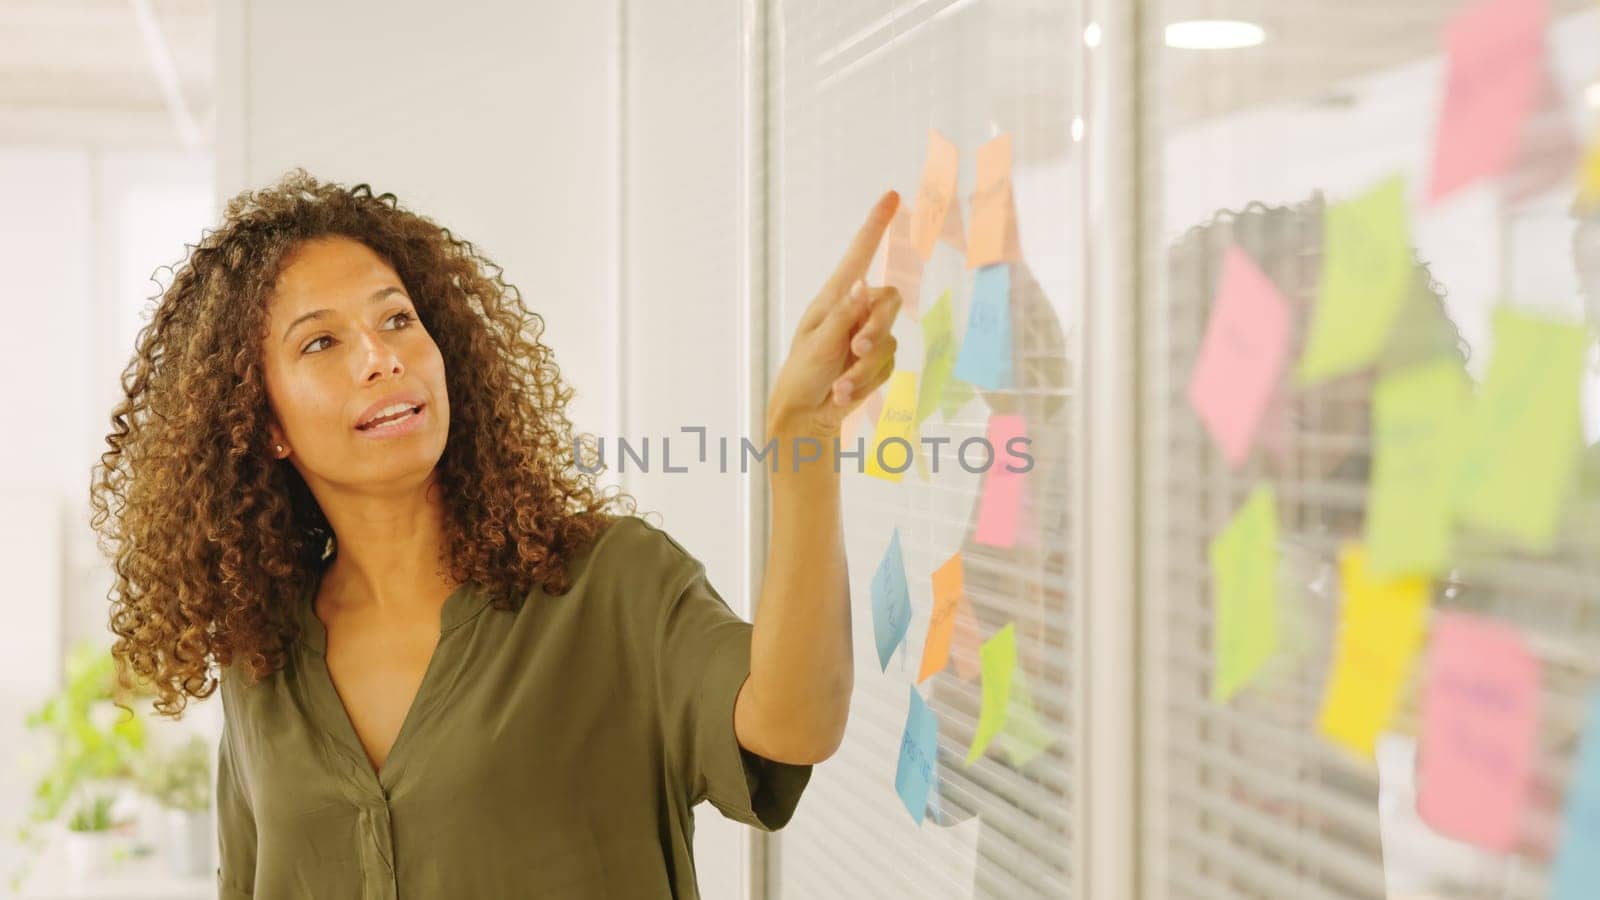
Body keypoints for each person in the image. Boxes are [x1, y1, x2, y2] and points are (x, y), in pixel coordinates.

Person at [87, 169, 909, 898]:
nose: (381, 357)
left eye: (398, 319)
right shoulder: (260, 654)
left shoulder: (607, 582)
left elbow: (796, 722)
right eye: (322, 342)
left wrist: (803, 437)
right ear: (262, 423)